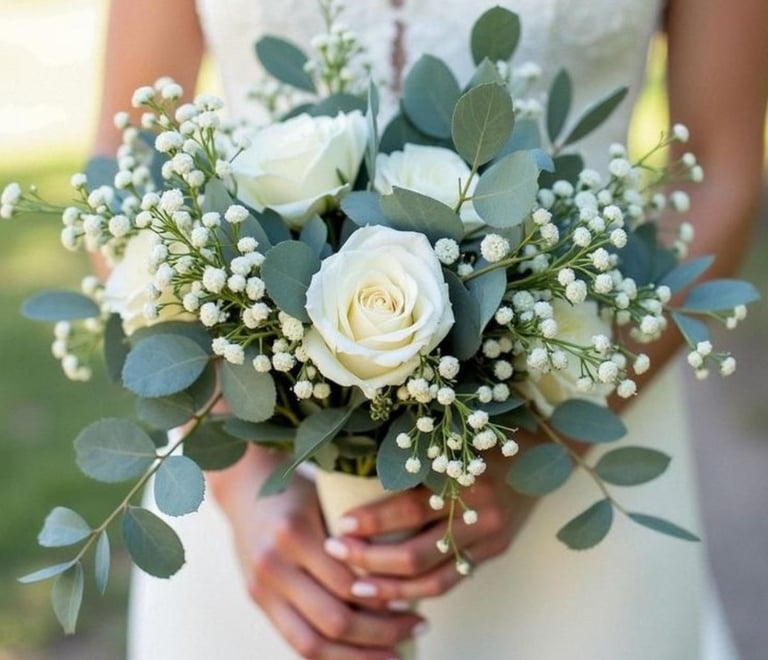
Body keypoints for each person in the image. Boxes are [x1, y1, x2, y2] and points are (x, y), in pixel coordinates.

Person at [90, 1, 768, 658]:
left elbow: (721, 172)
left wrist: (541, 443)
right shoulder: (247, 480)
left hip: (575, 441)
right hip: (259, 472)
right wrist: (241, 480)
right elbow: (123, 169)